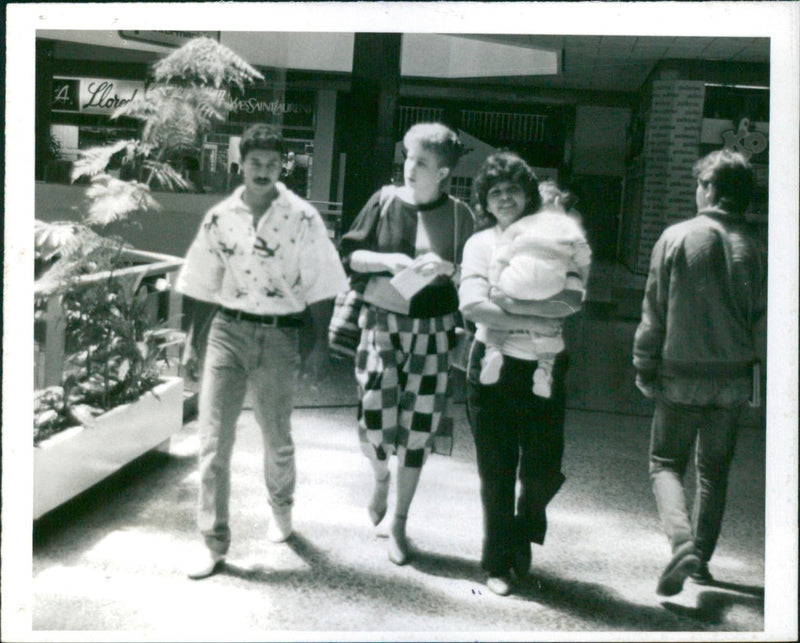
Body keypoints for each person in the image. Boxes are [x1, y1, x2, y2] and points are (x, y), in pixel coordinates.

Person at [175, 124, 348, 579]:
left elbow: (323, 284)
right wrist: (193, 340)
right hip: (227, 333)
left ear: (282, 167)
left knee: (276, 436)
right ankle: (212, 542)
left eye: (273, 164)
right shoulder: (220, 217)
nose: (264, 171)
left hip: (279, 336)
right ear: (242, 162)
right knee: (213, 441)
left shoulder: (303, 218)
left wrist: (319, 344)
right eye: (256, 162)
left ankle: (281, 508)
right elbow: (200, 283)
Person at [338, 122, 474, 565]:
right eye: (409, 158)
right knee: (374, 420)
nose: (410, 168)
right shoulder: (384, 200)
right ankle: (380, 476)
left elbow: (473, 277)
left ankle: (399, 521)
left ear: (444, 173)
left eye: (423, 162)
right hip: (382, 322)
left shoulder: (460, 216)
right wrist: (386, 259)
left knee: (418, 430)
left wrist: (448, 268)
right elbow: (352, 255)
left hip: (434, 330)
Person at [633, 148, 767, 597]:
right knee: (715, 471)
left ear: (708, 187)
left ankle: (681, 542)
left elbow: (654, 312)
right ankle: (702, 564)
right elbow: (766, 322)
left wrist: (644, 363)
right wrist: (760, 381)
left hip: (681, 373)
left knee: (665, 463)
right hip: (733, 380)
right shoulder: (758, 249)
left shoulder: (676, 237)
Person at [459, 151, 588, 596]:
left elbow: (573, 299)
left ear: (528, 193)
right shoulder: (479, 243)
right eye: (494, 192)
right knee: (496, 468)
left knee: (542, 467)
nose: (504, 198)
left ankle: (522, 530)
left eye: (512, 189)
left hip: (545, 366)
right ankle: (498, 560)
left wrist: (515, 310)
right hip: (491, 368)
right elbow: (474, 305)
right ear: (485, 201)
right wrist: (536, 318)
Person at [479, 186, 591, 397]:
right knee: (549, 330)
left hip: (515, 287)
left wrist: (503, 291)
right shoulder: (567, 235)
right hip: (551, 289)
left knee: (498, 314)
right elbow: (573, 301)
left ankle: (493, 351)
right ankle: (544, 369)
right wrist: (580, 275)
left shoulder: (518, 230)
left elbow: (500, 263)